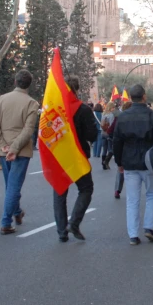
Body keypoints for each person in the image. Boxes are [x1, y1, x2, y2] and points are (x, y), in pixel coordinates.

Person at [113, 84, 153, 245]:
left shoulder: (122, 117)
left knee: (132, 200)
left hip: (129, 162)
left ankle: (133, 235)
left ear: (130, 97)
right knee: (151, 195)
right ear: (144, 96)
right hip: (149, 162)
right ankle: (148, 227)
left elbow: (117, 141)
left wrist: (119, 161)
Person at [0, 69, 40, 235]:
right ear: (29, 84)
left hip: (4, 150)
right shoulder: (32, 103)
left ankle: (17, 212)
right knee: (13, 186)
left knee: (10, 185)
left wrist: (3, 145)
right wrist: (15, 147)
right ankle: (6, 221)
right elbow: (28, 130)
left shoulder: (1, 100)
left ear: (15, 82)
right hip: (21, 150)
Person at [53, 76, 98, 242]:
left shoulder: (55, 109)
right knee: (86, 188)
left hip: (59, 156)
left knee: (59, 192)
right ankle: (74, 222)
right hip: (78, 156)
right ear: (77, 89)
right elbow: (91, 135)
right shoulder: (84, 110)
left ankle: (61, 232)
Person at [109, 101, 131, 199]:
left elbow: (110, 130)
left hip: (121, 147)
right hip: (131, 148)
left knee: (120, 170)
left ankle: (117, 190)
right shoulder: (134, 120)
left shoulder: (118, 119)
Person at [100, 102, 117, 169]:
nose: (114, 109)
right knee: (111, 149)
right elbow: (112, 125)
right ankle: (106, 162)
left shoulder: (103, 114)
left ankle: (103, 164)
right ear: (111, 108)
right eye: (113, 107)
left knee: (104, 149)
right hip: (108, 133)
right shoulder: (111, 115)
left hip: (103, 133)